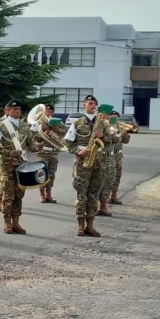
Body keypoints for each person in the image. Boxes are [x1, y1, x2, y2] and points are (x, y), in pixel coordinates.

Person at [64, 95, 113, 236]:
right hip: (82, 164)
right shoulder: (77, 123)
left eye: (94, 103)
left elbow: (113, 140)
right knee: (82, 195)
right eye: (90, 103)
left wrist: (103, 136)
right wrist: (79, 151)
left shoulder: (103, 123)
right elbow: (68, 143)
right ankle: (80, 225)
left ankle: (90, 225)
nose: (93, 105)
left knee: (93, 196)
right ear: (84, 105)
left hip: (99, 164)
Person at [0, 100, 32, 234]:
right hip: (7, 165)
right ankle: (7, 222)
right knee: (8, 195)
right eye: (15, 109)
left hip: (22, 165)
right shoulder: (1, 126)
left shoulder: (25, 126)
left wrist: (39, 145)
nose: (18, 111)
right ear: (8, 110)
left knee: (19, 194)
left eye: (19, 109)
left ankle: (16, 222)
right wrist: (8, 152)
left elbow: (31, 144)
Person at [29, 103, 63, 204]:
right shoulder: (38, 123)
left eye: (51, 111)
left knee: (52, 174)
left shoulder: (57, 122)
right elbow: (32, 136)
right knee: (42, 173)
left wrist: (56, 130)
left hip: (53, 153)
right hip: (43, 152)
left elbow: (64, 133)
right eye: (47, 111)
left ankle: (49, 194)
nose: (49, 113)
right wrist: (43, 134)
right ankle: (41, 194)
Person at [97, 115, 122, 217]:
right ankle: (93, 207)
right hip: (98, 157)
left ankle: (103, 207)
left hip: (110, 158)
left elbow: (116, 139)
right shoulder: (96, 124)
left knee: (108, 182)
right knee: (96, 183)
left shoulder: (112, 126)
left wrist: (104, 135)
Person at [108, 110, 130, 205]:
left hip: (118, 155)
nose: (115, 118)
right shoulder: (107, 127)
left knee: (117, 176)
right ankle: (107, 195)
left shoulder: (120, 128)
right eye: (113, 117)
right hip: (110, 154)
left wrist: (125, 134)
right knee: (109, 176)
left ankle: (114, 195)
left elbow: (125, 141)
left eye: (116, 117)